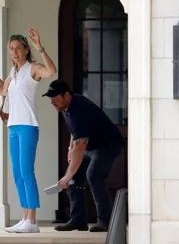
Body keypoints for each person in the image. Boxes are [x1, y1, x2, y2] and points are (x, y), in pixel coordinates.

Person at [0, 28, 57, 233]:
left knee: (26, 170)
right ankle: (25, 218)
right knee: (17, 174)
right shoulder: (13, 73)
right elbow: (1, 91)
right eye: (11, 49)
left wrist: (40, 47)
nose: (14, 52)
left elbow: (51, 71)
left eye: (18, 48)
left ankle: (32, 220)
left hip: (28, 126)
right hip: (13, 126)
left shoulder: (33, 69)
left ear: (25, 50)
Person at [42, 79, 123, 232]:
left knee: (93, 175)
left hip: (107, 145)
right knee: (74, 178)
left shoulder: (80, 109)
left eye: (54, 97)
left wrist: (67, 175)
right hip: (91, 146)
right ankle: (78, 220)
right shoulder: (66, 107)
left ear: (66, 95)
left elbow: (80, 147)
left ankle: (105, 221)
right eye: (49, 98)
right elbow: (75, 132)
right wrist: (69, 148)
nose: (51, 101)